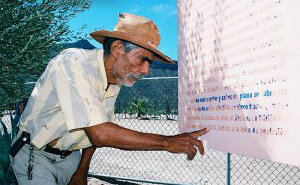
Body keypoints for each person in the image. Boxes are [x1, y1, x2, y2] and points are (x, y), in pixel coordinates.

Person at [10, 13, 209, 185]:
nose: (147, 70)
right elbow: (100, 133)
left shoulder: (115, 80)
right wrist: (167, 142)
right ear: (117, 49)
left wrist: (81, 172)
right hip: (34, 155)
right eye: (143, 59)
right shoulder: (73, 63)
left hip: (70, 158)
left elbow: (96, 129)